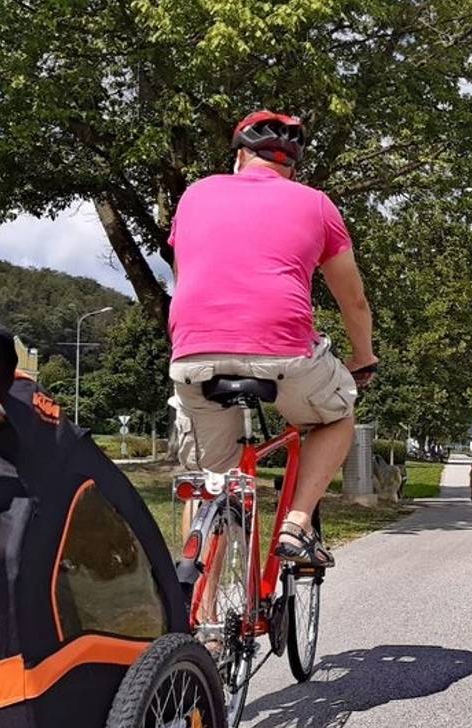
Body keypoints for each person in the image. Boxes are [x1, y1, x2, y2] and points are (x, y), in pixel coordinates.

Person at [167, 110, 377, 568]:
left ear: (240, 155)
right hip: (284, 353)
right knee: (337, 415)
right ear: (293, 165)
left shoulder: (194, 195)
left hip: (193, 353)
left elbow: (184, 277)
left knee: (209, 483)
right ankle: (296, 525)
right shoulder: (316, 203)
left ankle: (205, 618)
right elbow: (354, 302)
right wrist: (363, 358)